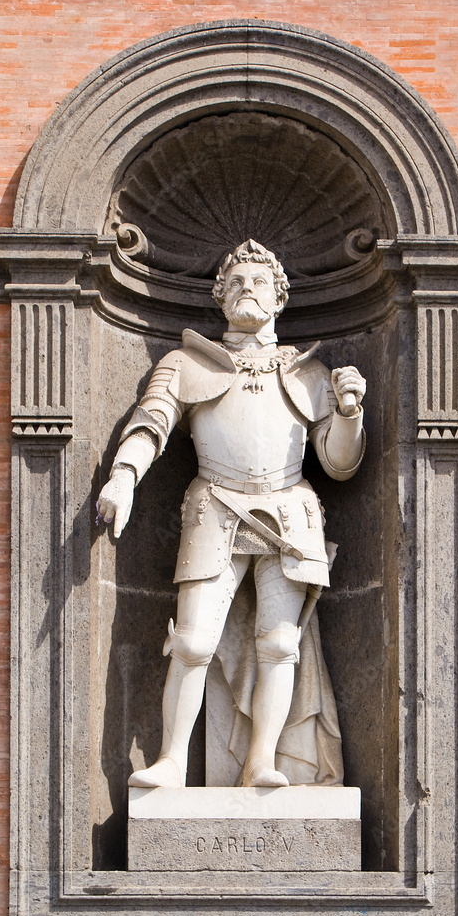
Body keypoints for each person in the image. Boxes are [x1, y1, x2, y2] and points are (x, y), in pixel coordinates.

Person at [97, 239, 366, 788]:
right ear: (220, 296)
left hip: (289, 511)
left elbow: (338, 464)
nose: (248, 289)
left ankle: (261, 760)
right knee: (193, 642)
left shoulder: (309, 371)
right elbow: (151, 422)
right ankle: (172, 761)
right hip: (215, 506)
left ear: (279, 296)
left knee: (281, 644)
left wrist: (349, 414)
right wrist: (123, 476)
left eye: (259, 281)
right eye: (237, 281)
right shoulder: (185, 363)